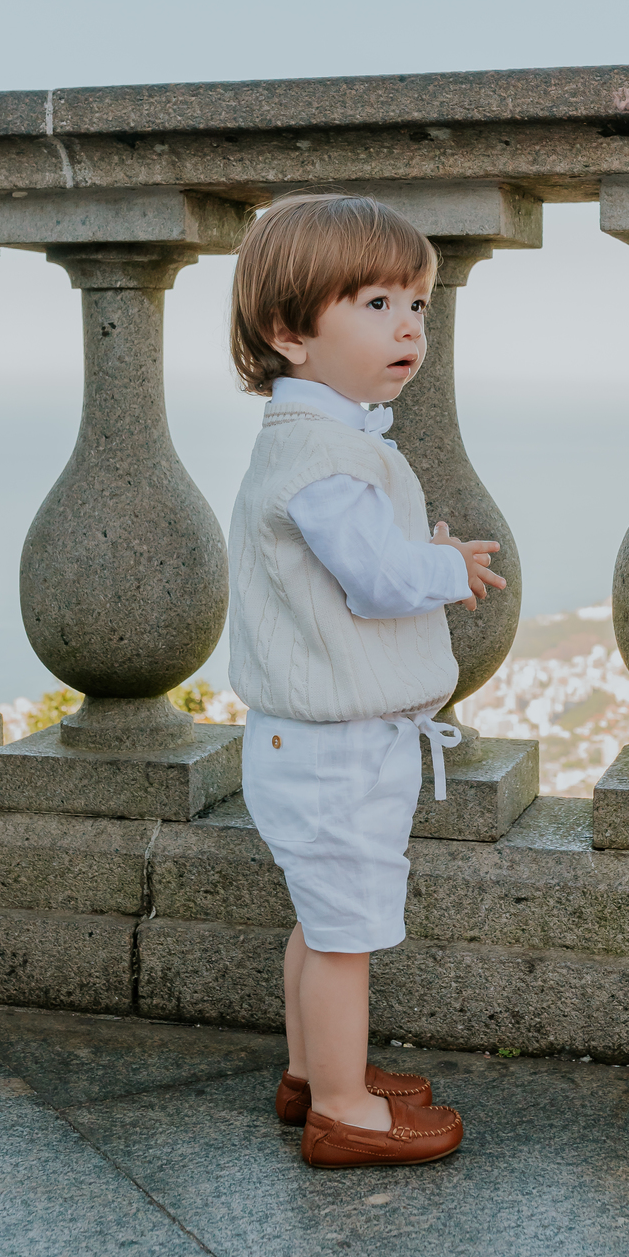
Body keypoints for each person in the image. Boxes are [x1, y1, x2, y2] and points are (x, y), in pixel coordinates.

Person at [227, 194, 506, 1169]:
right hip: (335, 750)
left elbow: (352, 566)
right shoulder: (327, 460)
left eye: (417, 304)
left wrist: (421, 552)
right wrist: (446, 568)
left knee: (320, 919)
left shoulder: (315, 440)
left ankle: (312, 1073)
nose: (408, 327)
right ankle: (343, 1111)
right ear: (289, 331)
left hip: (309, 741)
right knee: (344, 934)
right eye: (377, 303)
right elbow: (377, 580)